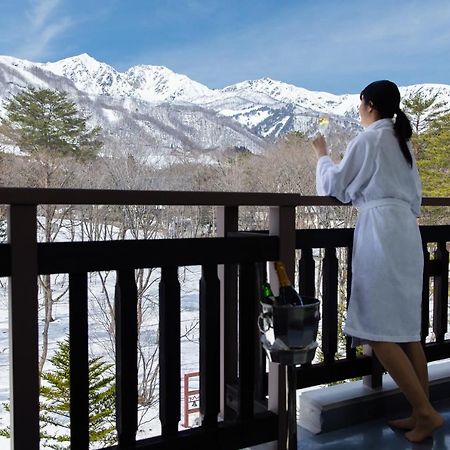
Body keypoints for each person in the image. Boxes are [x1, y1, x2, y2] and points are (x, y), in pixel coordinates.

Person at [312, 80, 444, 443]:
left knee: (378, 330)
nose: (359, 111)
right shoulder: (401, 143)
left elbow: (336, 185)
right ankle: (422, 411)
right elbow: (413, 196)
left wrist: (323, 154)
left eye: (360, 105)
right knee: (405, 331)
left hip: (381, 235)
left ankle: (425, 412)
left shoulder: (370, 139)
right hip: (405, 233)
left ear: (369, 105)